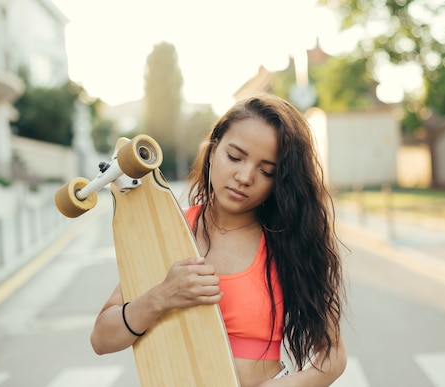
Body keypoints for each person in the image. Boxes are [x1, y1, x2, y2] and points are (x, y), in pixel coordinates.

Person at [90, 93, 347, 386]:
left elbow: (333, 354)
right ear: (213, 152)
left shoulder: (287, 242)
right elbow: (101, 338)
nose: (245, 176)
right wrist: (162, 295)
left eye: (266, 171)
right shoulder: (168, 230)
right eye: (234, 157)